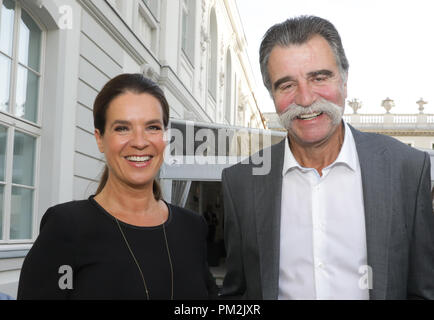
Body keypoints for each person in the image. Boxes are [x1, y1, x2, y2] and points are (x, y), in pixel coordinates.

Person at [221, 16, 434, 300]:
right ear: (272, 94)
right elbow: (238, 294)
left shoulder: (406, 168)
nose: (306, 99)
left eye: (319, 78)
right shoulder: (242, 183)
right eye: (287, 85)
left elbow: (422, 290)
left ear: (344, 82)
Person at [18, 74, 218, 299]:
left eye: (152, 127)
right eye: (123, 128)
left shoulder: (192, 228)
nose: (140, 142)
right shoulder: (66, 228)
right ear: (100, 139)